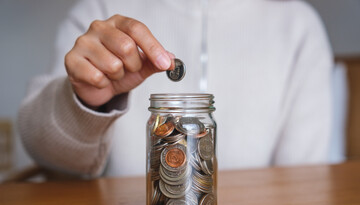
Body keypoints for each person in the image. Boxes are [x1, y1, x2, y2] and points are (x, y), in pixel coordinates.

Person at [18, 0, 334, 178]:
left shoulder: (298, 27)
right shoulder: (98, 13)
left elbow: (304, 184)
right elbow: (39, 146)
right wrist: (84, 105)